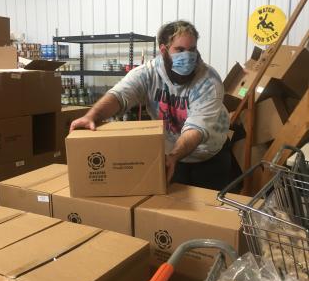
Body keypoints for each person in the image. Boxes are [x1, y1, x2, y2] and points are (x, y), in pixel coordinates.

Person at [70, 20, 234, 190]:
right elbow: (119, 95)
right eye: (180, 50)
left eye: (192, 49)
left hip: (209, 156)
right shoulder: (149, 73)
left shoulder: (208, 81)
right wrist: (91, 116)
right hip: (172, 156)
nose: (188, 56)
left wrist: (174, 156)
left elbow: (197, 128)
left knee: (208, 211)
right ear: (163, 50)